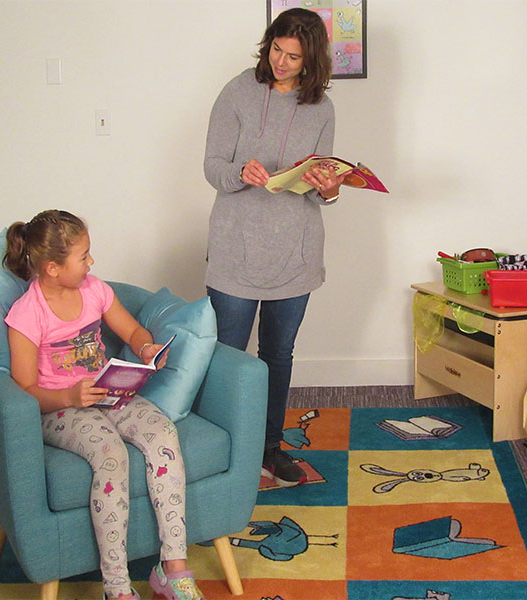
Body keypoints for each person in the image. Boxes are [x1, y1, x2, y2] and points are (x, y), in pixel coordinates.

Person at [3, 210, 203, 600]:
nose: (91, 262)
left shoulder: (95, 290)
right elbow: (24, 388)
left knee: (163, 435)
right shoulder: (27, 314)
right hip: (60, 408)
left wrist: (145, 347)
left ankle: (173, 568)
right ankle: (117, 586)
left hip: (110, 394)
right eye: (83, 256)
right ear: (52, 268)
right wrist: (68, 396)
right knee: (110, 455)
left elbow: (129, 328)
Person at [203, 8, 349, 487]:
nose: (282, 62)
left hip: (296, 250)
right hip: (235, 248)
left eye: (294, 57)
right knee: (228, 354)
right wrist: (239, 173)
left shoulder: (322, 108)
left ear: (312, 62)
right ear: (267, 45)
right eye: (276, 51)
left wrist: (328, 186)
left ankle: (269, 449)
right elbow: (213, 166)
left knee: (278, 354)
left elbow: (324, 189)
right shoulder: (237, 91)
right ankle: (222, 448)